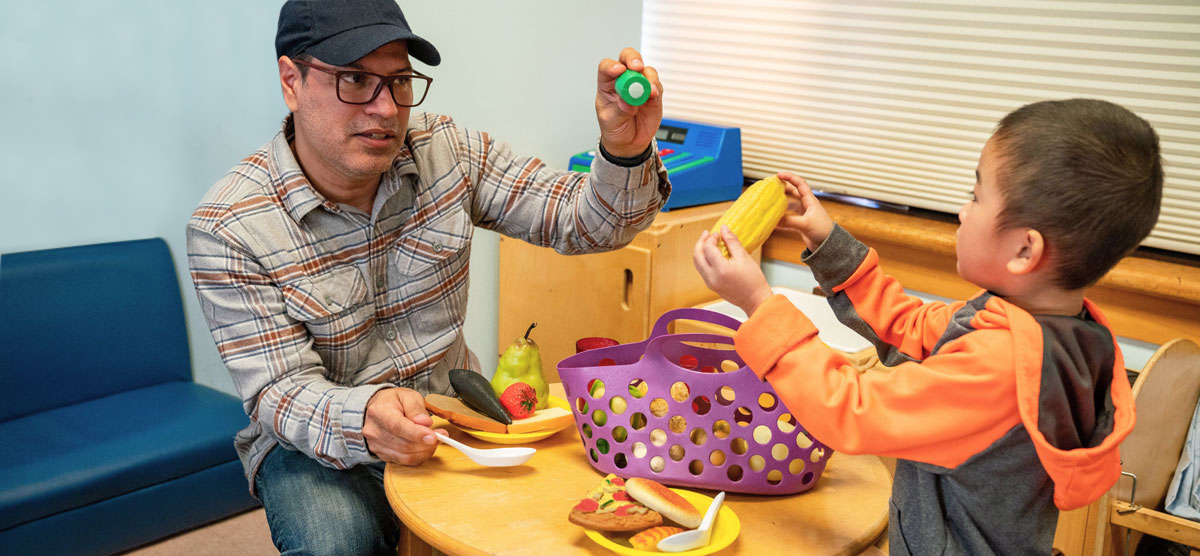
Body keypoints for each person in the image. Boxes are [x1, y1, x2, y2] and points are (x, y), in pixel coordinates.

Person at [186, 0, 669, 553]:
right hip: (313, 442)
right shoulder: (228, 228)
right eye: (356, 80)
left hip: (453, 415)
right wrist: (365, 413)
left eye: (399, 82)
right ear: (291, 81)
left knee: (540, 525)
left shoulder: (449, 150)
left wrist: (626, 153)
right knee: (339, 542)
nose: (386, 108)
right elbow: (279, 391)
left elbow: (585, 225)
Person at [693, 98, 1162, 555]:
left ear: (1024, 250)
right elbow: (910, 328)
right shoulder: (1046, 328)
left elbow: (853, 412)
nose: (962, 211)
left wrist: (758, 303)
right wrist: (825, 239)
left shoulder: (1000, 368)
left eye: (976, 196)